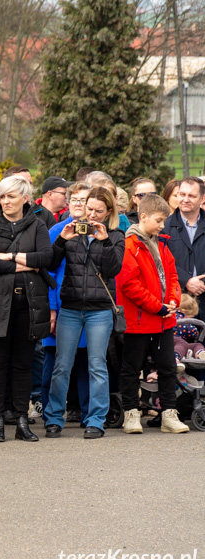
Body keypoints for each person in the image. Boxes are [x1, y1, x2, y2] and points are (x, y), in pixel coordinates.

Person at [0, 176, 52, 442]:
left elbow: (46, 258)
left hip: (29, 304)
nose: (5, 201)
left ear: (25, 199)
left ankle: (21, 420)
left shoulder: (38, 225)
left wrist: (10, 256)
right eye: (2, 197)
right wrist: (27, 264)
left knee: (23, 364)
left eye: (11, 196)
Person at [44, 186, 125, 439]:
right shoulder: (71, 232)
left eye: (98, 211)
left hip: (99, 310)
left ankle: (96, 419)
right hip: (70, 307)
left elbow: (114, 270)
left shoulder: (117, 235)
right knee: (62, 365)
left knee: (97, 366)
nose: (91, 215)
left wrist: (105, 240)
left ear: (108, 211)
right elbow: (50, 264)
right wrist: (61, 239)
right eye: (89, 209)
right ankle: (54, 418)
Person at [116, 194, 189, 434]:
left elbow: (173, 277)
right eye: (159, 220)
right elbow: (129, 285)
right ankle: (131, 414)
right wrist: (158, 306)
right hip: (139, 320)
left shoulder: (161, 244)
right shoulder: (129, 245)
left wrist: (173, 300)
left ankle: (169, 413)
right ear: (143, 216)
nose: (162, 225)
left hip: (163, 318)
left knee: (167, 367)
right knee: (131, 367)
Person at [164, 177, 205, 321]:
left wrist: (201, 283)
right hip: (176, 301)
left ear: (202, 199)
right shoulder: (164, 227)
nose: (185, 199)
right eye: (182, 194)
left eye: (191, 196)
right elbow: (161, 261)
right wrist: (186, 280)